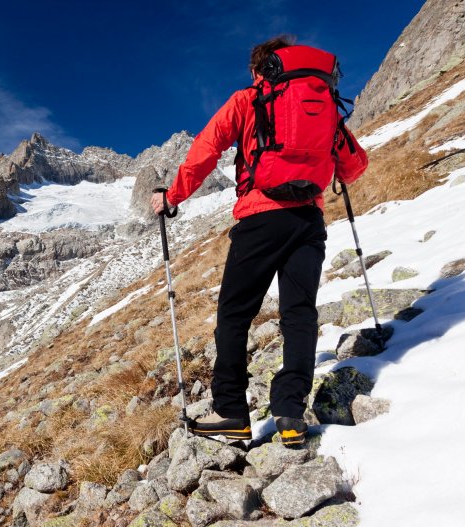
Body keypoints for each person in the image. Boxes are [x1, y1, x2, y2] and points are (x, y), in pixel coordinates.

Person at [150, 36, 368, 446]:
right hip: (308, 220)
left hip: (260, 219)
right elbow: (354, 167)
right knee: (299, 314)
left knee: (234, 315)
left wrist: (171, 196)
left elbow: (207, 148)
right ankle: (289, 411)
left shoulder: (248, 100)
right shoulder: (320, 102)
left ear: (259, 70)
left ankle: (232, 411)